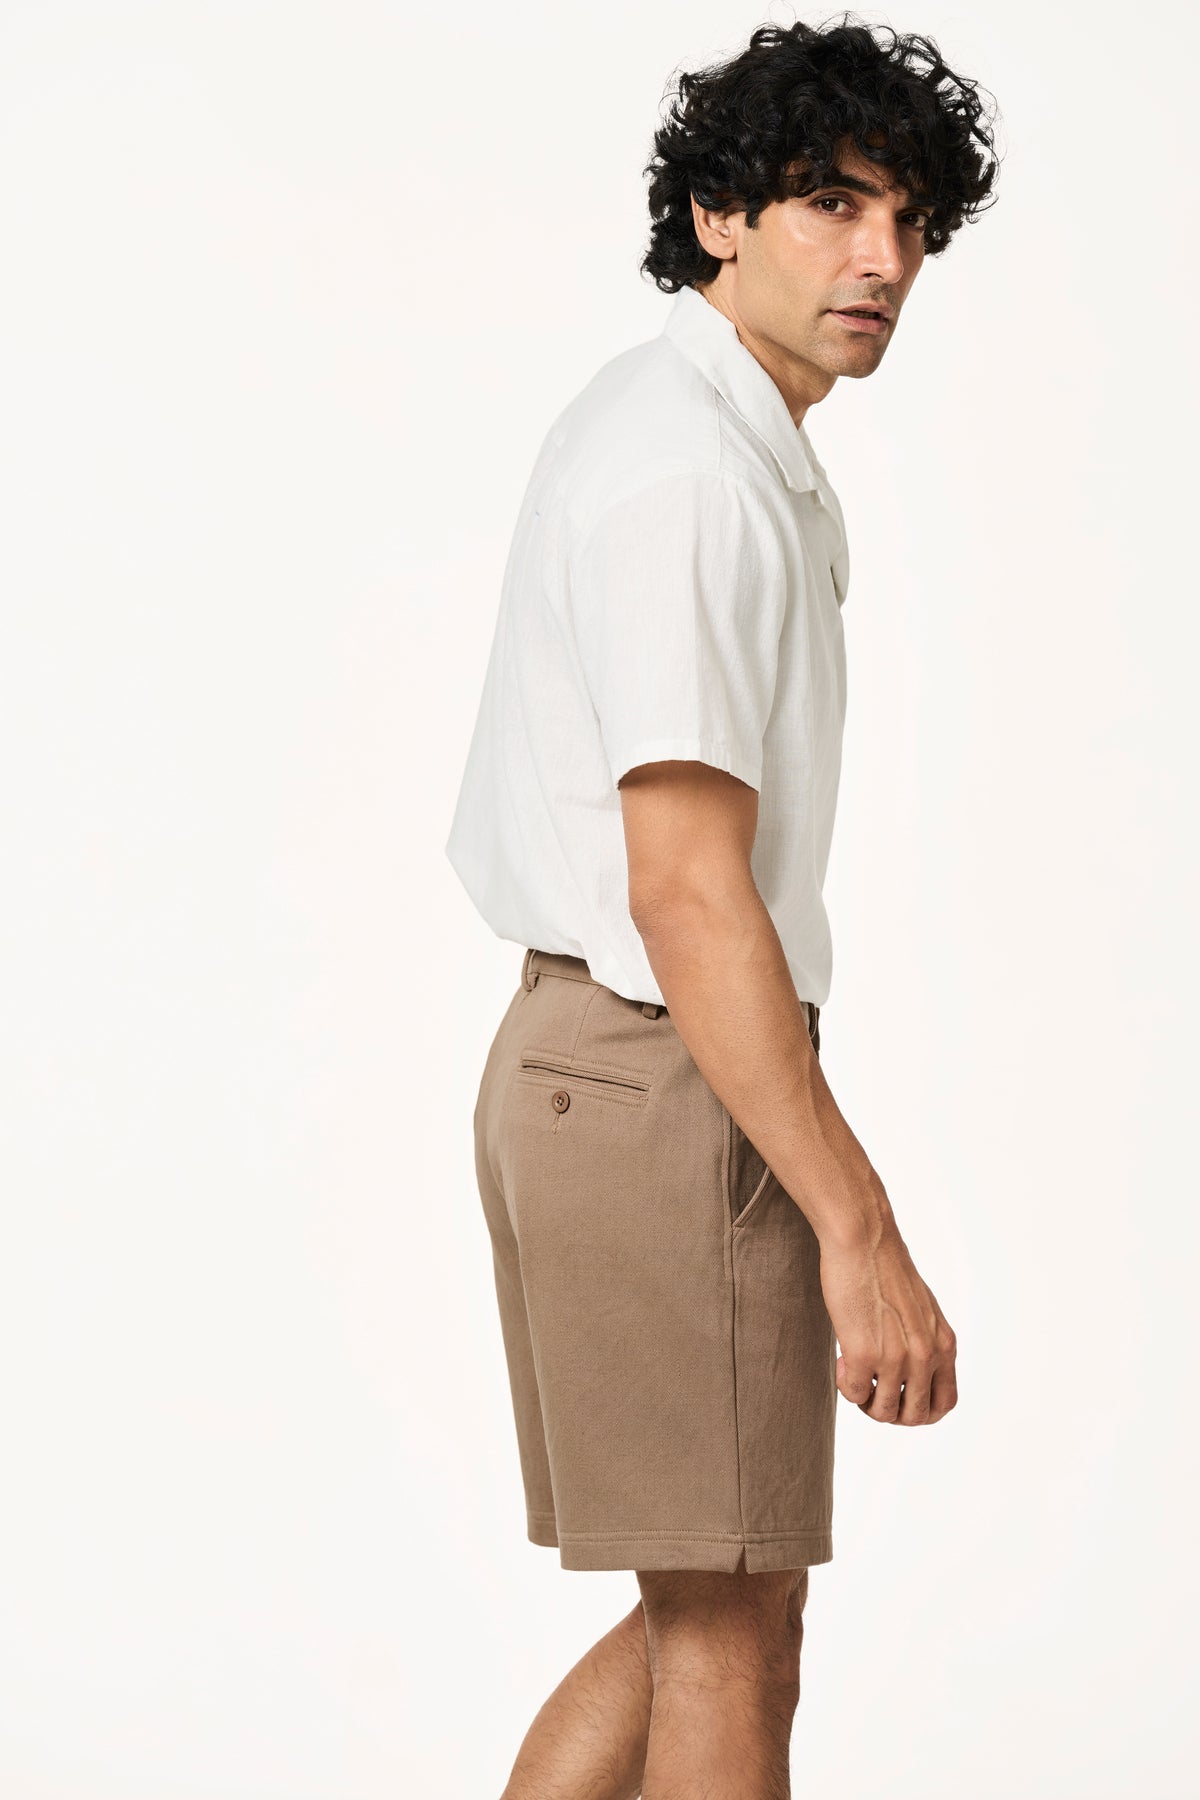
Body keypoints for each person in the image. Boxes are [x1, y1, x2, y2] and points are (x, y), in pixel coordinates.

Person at [443, 16, 1000, 1797]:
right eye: (833, 204)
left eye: (909, 220)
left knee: (721, 1597)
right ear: (716, 218)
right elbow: (685, 892)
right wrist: (858, 1226)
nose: (881, 259)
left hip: (618, 1068)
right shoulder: (688, 471)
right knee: (729, 1628)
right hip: (655, 1071)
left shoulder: (713, 435)